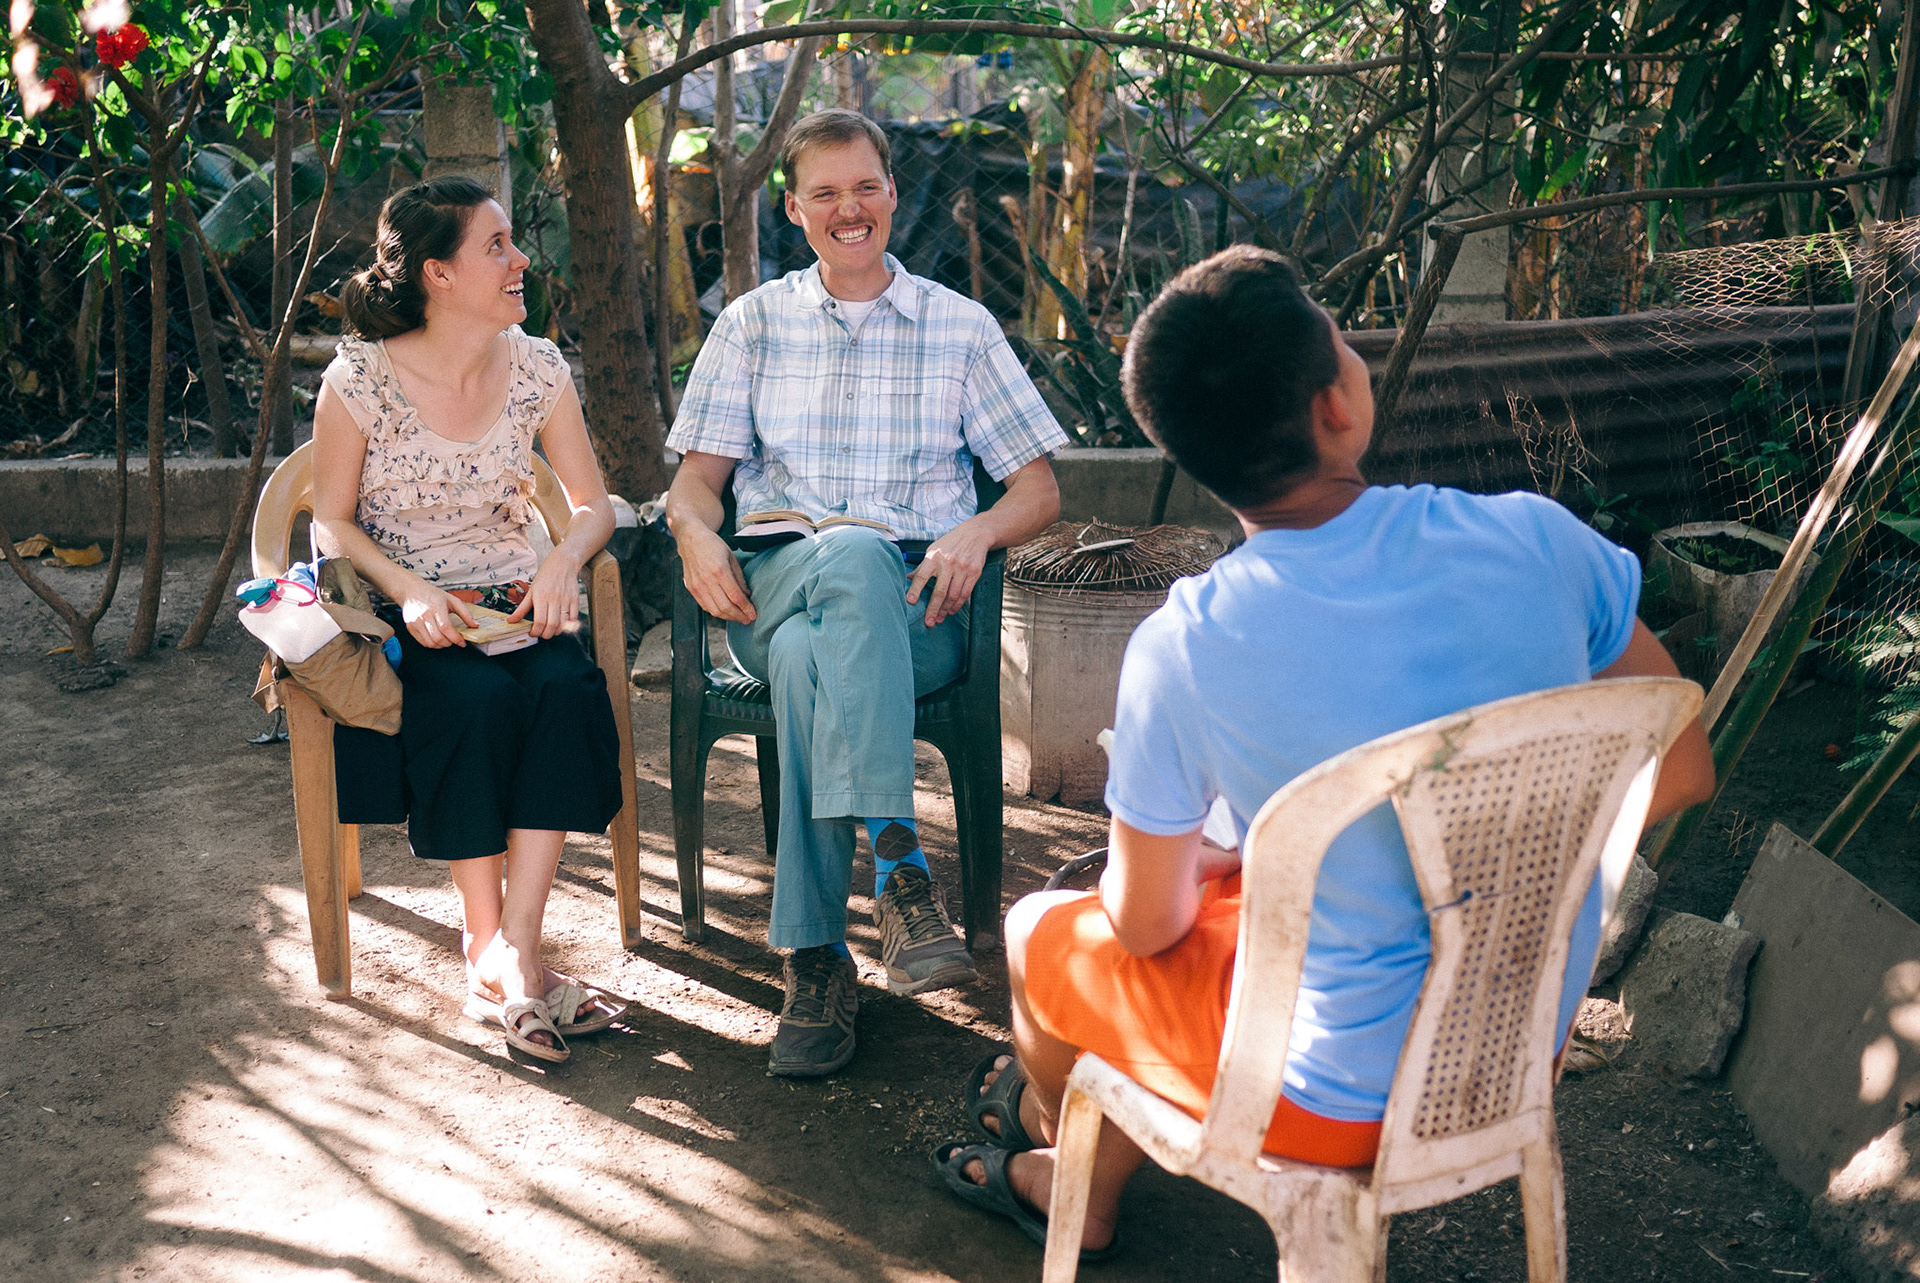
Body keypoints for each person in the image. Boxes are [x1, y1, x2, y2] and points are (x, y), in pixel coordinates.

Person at [933, 246, 1718, 1256]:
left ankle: (1061, 1158)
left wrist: (1241, 853)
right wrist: (1515, 835)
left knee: (1051, 926)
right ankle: (1059, 1144)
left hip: (1328, 1100)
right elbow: (1683, 766)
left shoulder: (1189, 639)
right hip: (1519, 1043)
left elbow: (1143, 920)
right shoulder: (1542, 541)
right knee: (1238, 908)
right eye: (1341, 342)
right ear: (1338, 406)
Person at [665, 109, 1070, 1077]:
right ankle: (898, 862)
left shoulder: (959, 327)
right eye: (826, 192)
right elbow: (695, 484)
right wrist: (691, 534)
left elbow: (1040, 487)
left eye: (867, 187)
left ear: (892, 193)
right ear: (796, 208)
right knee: (839, 561)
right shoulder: (751, 324)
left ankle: (815, 959)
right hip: (774, 582)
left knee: (819, 653)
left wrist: (975, 529)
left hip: (915, 606)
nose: (850, 209)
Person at [311, 176, 628, 1065]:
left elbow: (594, 502)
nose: (520, 258)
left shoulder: (536, 367)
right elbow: (330, 519)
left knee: (566, 689)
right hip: (412, 611)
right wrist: (409, 590)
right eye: (495, 245)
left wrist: (564, 557)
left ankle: (513, 950)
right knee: (472, 704)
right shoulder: (361, 378)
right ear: (437, 273)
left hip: (517, 599)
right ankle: (485, 942)